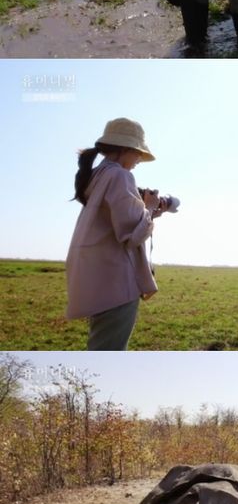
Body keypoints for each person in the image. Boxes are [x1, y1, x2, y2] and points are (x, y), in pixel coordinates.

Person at [66, 117, 169, 351]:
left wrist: (147, 213)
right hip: (117, 282)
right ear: (126, 149)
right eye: (138, 154)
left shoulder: (97, 175)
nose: (139, 161)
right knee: (109, 349)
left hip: (96, 278)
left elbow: (116, 224)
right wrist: (150, 207)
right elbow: (133, 236)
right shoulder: (120, 176)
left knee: (101, 345)